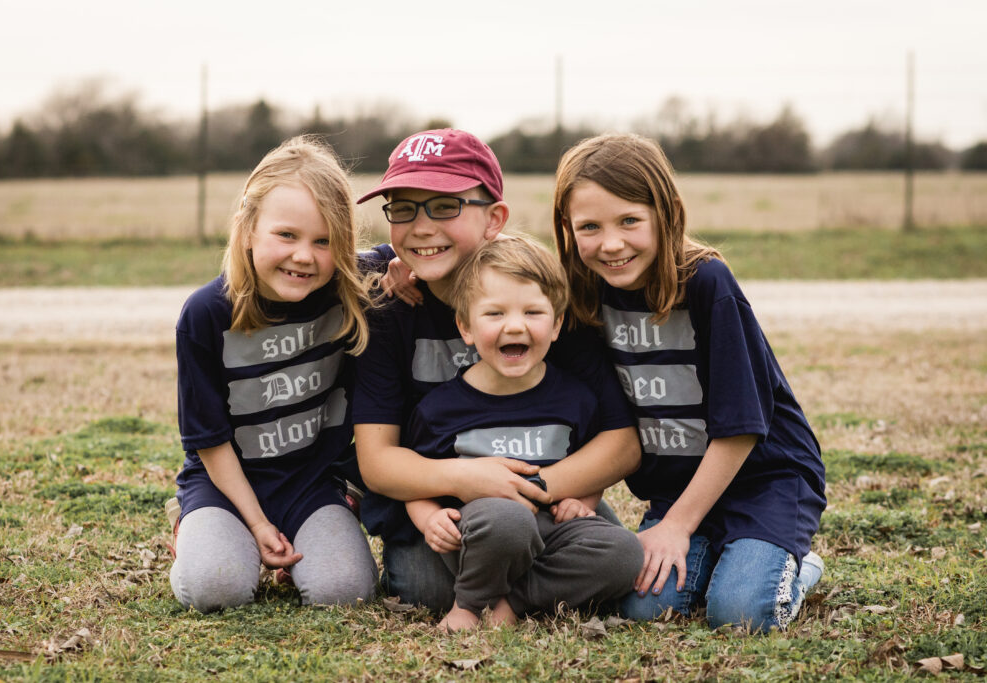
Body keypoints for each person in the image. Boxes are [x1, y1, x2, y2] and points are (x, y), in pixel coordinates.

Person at [352, 128, 641, 613]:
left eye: (445, 206)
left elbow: (620, 441)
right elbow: (378, 462)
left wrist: (526, 489)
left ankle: (500, 602)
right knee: (427, 592)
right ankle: (519, 592)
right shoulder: (389, 304)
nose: (422, 226)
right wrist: (468, 481)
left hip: (551, 494)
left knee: (618, 562)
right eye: (404, 207)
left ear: (495, 218)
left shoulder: (538, 296)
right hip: (446, 508)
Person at [551, 133, 827, 632]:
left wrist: (677, 527)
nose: (610, 244)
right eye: (589, 226)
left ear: (668, 212)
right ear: (567, 229)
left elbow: (741, 428)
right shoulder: (584, 296)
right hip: (675, 488)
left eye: (630, 220)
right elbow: (600, 414)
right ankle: (721, 552)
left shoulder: (706, 282)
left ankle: (795, 566)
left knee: (742, 613)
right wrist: (591, 493)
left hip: (764, 481)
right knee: (643, 609)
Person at [169, 136, 388, 613]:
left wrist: (406, 274)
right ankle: (194, 528)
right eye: (286, 235)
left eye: (324, 241)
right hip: (224, 484)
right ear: (247, 230)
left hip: (312, 484)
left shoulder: (351, 288)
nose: (304, 256)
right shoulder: (207, 313)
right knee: (216, 590)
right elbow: (208, 439)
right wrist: (256, 523)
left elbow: (418, 256)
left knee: (345, 592)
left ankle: (320, 529)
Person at [404, 236, 643, 631]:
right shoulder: (440, 408)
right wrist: (429, 518)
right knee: (509, 520)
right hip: (485, 536)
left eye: (533, 312)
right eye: (494, 314)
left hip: (556, 533)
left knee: (624, 551)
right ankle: (469, 605)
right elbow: (417, 481)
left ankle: (511, 602)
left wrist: (585, 499)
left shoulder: (574, 398)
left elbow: (590, 462)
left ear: (557, 324)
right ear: (465, 326)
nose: (515, 325)